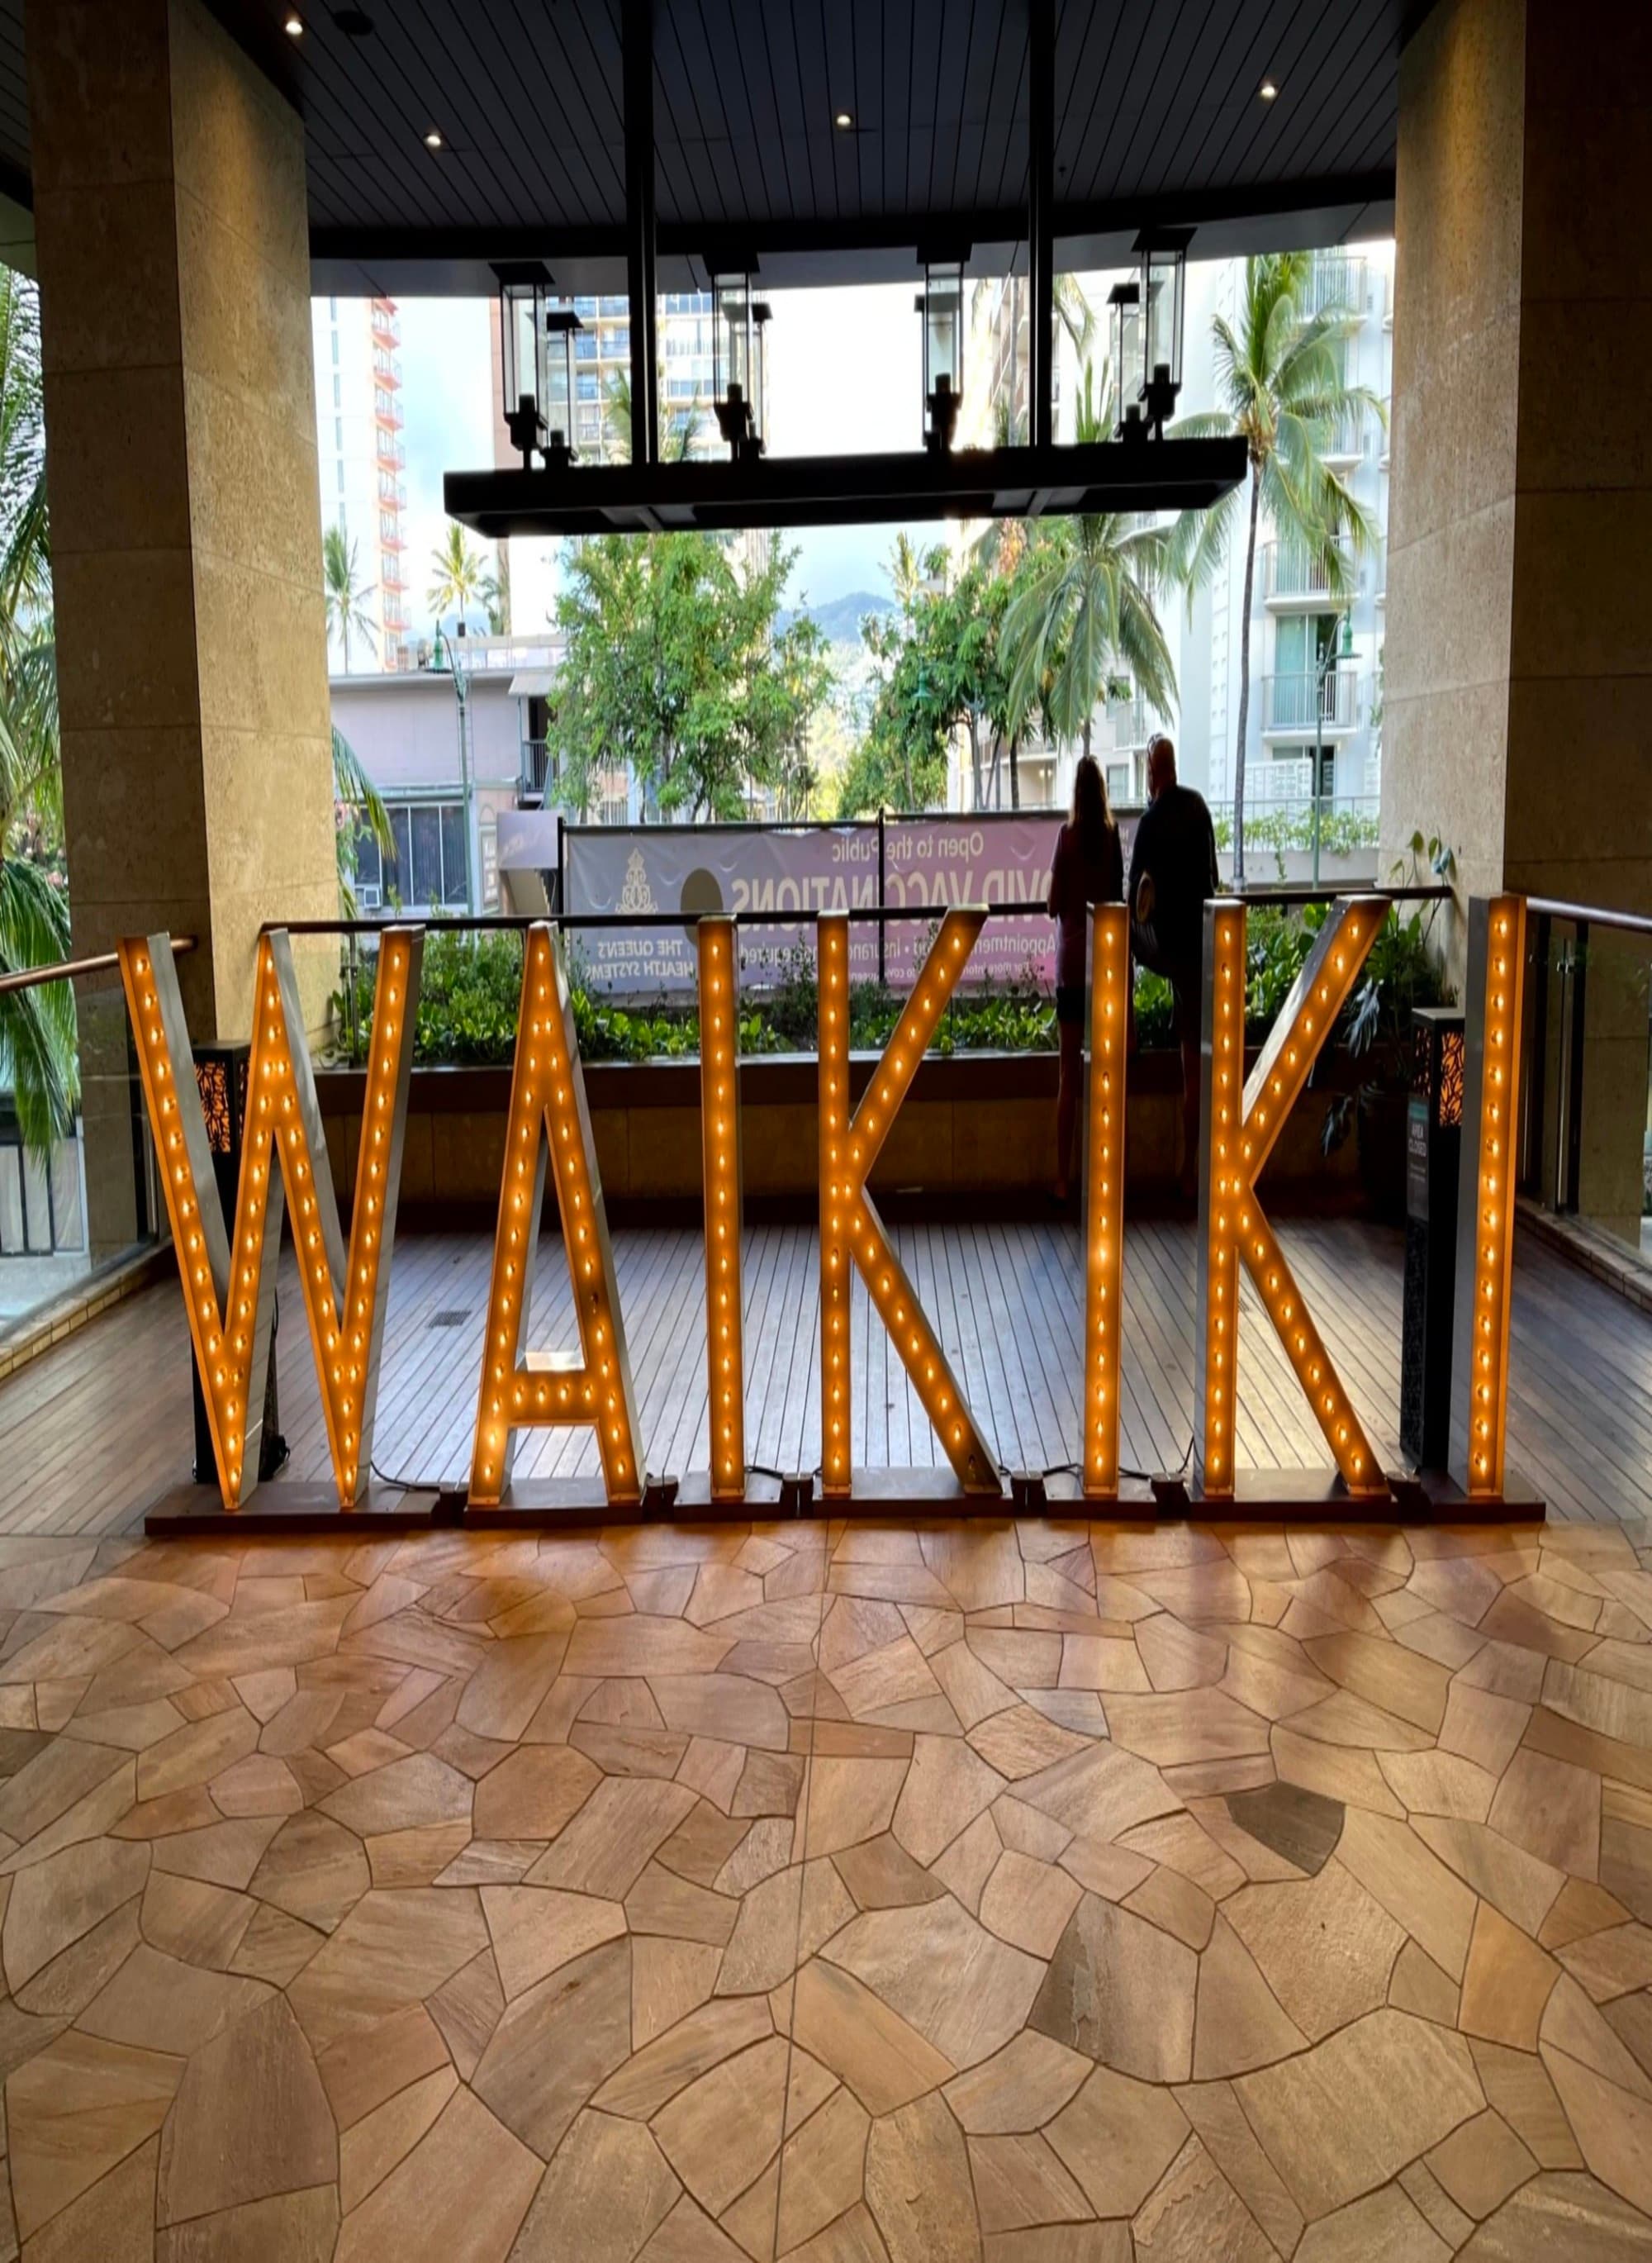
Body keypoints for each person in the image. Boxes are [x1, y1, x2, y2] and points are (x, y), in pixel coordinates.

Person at [1127, 734, 1220, 1200]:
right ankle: (1214, 1171)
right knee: (1209, 1069)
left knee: (1192, 1072)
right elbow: (1214, 879)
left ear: (1151, 771)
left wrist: (1144, 953)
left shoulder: (1151, 822)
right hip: (1209, 947)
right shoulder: (1199, 808)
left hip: (1177, 955)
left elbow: (1133, 904)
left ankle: (1191, 1171)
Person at [1047, 753, 1124, 1204]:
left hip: (1072, 968)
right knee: (1107, 1078)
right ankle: (1108, 1177)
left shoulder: (1067, 838)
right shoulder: (1112, 840)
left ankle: (1063, 1178)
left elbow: (1052, 904)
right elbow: (1117, 897)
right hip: (1106, 970)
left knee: (1068, 1076)